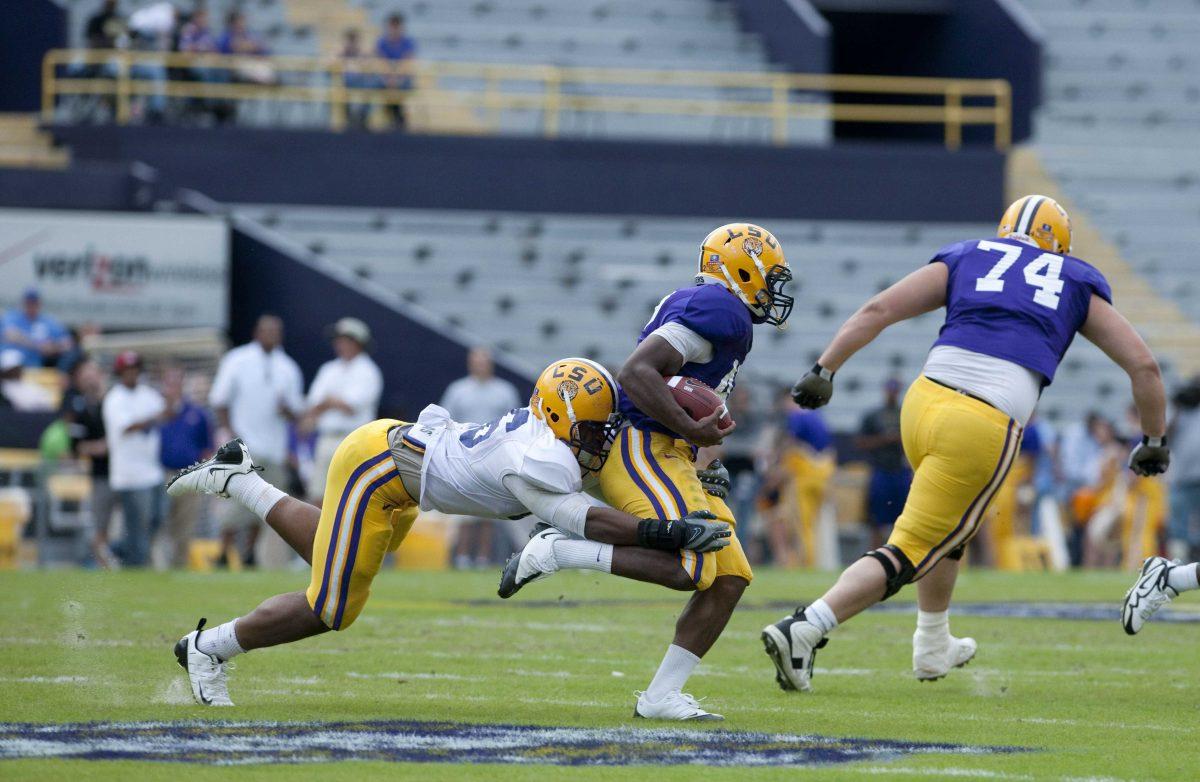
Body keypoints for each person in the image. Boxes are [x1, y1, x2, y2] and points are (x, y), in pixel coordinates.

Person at [762, 194, 1168, 692]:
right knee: (912, 547)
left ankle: (933, 642)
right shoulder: (1075, 278)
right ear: (1059, 244)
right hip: (982, 420)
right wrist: (1152, 439)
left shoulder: (968, 254)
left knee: (951, 526)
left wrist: (824, 368)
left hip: (923, 403)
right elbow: (1143, 365)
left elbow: (880, 307)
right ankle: (806, 627)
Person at [166, 357, 729, 706]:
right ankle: (207, 650)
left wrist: (688, 484)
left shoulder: (553, 438)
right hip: (380, 469)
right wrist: (664, 531)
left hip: (401, 470)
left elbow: (608, 491)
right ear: (560, 421)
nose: (603, 437)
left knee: (336, 554)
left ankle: (241, 481)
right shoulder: (536, 457)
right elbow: (583, 519)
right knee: (331, 605)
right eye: (593, 427)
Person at [503, 222, 794, 721]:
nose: (771, 289)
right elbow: (636, 372)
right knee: (692, 565)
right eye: (766, 275)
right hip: (644, 446)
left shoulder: (716, 311)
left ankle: (660, 697)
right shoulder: (722, 308)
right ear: (740, 269)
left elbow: (675, 378)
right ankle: (558, 549)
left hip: (667, 451)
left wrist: (696, 457)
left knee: (729, 577)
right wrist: (689, 428)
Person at [208, 315, 304, 568]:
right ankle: (223, 552)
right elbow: (219, 400)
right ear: (257, 333)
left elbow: (296, 412)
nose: (272, 335)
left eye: (276, 331)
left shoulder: (288, 367)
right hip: (245, 447)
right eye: (267, 330)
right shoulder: (237, 360)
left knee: (264, 506)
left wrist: (287, 410)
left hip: (274, 449)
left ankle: (249, 554)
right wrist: (231, 434)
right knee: (233, 502)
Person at [439, 347, 522, 568]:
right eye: (476, 360)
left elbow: (514, 423)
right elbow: (446, 421)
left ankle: (484, 557)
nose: (480, 365)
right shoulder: (458, 390)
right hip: (463, 456)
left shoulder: (504, 391)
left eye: (483, 361)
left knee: (488, 512)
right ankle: (463, 556)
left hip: (494, 457)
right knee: (463, 510)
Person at [303, 318, 382, 506]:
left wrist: (328, 401)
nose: (339, 344)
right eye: (338, 339)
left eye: (345, 339)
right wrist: (331, 402)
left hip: (354, 440)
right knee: (318, 495)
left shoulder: (368, 371)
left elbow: (350, 406)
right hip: (327, 438)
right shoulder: (328, 369)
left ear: (358, 342)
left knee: (348, 498)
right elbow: (313, 404)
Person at [102, 351, 167, 568]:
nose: (132, 374)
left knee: (157, 517)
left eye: (135, 370)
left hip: (152, 469)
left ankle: (118, 548)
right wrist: (153, 418)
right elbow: (127, 426)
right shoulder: (115, 398)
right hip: (129, 473)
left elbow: (167, 411)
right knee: (138, 524)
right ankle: (134, 564)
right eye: (127, 370)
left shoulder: (147, 394)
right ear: (120, 373)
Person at [62, 358, 118, 568]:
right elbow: (76, 447)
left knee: (127, 525)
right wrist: (101, 446)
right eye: (85, 376)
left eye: (92, 373)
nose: (90, 379)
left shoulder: (115, 400)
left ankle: (127, 562)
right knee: (100, 526)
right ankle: (108, 566)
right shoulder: (79, 409)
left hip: (126, 473)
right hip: (101, 475)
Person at [158, 366, 213, 569]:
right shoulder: (156, 414)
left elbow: (207, 447)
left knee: (185, 523)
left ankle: (178, 565)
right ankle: (159, 564)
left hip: (188, 474)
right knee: (160, 520)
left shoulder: (197, 414)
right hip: (161, 474)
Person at [858, 379, 911, 549]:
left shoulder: (905, 413)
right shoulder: (874, 415)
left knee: (904, 518)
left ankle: (899, 552)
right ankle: (875, 553)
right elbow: (860, 442)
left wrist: (899, 440)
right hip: (881, 471)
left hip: (901, 470)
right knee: (876, 520)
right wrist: (885, 440)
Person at [1165, 377, 1200, 562]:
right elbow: (1165, 436)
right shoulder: (1179, 411)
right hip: (1182, 478)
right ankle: (1179, 567)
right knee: (1178, 526)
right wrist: (1177, 406)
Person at [2, 288, 73, 369]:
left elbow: (67, 343)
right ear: (23, 303)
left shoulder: (48, 321)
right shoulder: (12, 317)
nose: (31, 306)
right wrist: (38, 346)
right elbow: (11, 335)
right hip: (11, 369)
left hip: (37, 368)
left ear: (39, 304)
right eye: (28, 303)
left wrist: (54, 347)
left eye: (34, 302)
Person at [375, 13, 416, 129]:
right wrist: (389, 78)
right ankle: (397, 118)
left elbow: (407, 61)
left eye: (396, 26)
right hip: (385, 78)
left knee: (399, 87)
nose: (394, 29)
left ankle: (395, 118)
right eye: (392, 26)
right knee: (377, 84)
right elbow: (380, 61)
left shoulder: (408, 42)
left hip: (402, 78)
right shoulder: (382, 42)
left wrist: (396, 78)